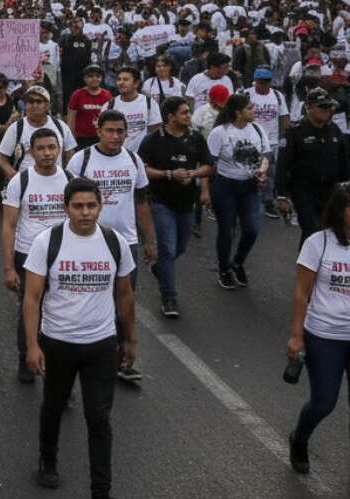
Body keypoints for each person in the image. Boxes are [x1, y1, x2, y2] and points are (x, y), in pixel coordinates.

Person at [22, 177, 136, 499]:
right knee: (54, 405)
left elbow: (125, 294)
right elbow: (32, 298)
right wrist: (32, 345)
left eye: (91, 206)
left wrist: (131, 340)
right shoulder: (48, 241)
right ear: (66, 208)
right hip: (58, 342)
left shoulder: (115, 242)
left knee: (99, 418)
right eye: (78, 206)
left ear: (100, 206)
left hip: (102, 345)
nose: (85, 213)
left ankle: (101, 489)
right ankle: (48, 458)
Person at [66, 110, 155, 382]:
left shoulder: (132, 159)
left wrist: (150, 239)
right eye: (110, 131)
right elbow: (68, 203)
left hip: (125, 244)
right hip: (89, 242)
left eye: (121, 131)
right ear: (99, 131)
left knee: (123, 302)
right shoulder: (81, 160)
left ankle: (118, 361)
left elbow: (141, 202)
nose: (116, 137)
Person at [286, 183, 350, 476]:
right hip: (325, 336)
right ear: (340, 210)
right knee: (324, 402)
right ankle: (299, 439)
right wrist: (297, 335)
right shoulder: (318, 243)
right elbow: (301, 293)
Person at [2, 129, 73, 383]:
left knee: (61, 312)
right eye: (41, 148)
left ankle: (58, 369)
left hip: (62, 259)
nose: (47, 153)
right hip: (28, 257)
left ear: (59, 149)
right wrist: (9, 267)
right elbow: (9, 225)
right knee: (30, 308)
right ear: (32, 152)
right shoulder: (20, 181)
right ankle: (26, 357)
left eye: (52, 147)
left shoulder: (69, 179)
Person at [138, 97, 213, 318]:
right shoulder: (152, 140)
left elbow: (208, 166)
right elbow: (141, 169)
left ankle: (158, 268)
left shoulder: (196, 138)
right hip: (160, 202)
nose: (189, 116)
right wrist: (169, 174)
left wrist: (193, 175)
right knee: (168, 249)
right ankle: (169, 297)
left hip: (186, 204)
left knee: (179, 248)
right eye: (184, 112)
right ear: (170, 117)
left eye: (188, 112)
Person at [207, 92, 271, 289]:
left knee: (251, 229)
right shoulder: (220, 132)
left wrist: (262, 171)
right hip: (226, 187)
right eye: (250, 108)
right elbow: (210, 162)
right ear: (238, 112)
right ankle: (224, 268)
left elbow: (266, 155)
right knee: (227, 230)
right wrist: (206, 192)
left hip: (250, 187)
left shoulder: (258, 130)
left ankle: (238, 262)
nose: (254, 111)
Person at [276, 87, 350, 245]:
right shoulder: (295, 133)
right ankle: (305, 268)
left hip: (331, 190)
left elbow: (344, 161)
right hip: (304, 191)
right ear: (308, 107)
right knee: (312, 231)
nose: (327, 110)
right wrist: (281, 196)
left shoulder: (335, 130)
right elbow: (282, 166)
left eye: (329, 107)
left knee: (330, 231)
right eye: (322, 107)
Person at [0, 86, 77, 178]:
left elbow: (70, 155)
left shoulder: (61, 127)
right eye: (30, 102)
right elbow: (2, 157)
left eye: (39, 101)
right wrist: (15, 177)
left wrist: (66, 177)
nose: (34, 105)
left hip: (55, 182)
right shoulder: (15, 128)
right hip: (26, 184)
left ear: (47, 105)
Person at [244, 65, 289, 218]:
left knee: (270, 173)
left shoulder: (277, 95)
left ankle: (268, 201)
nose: (263, 84)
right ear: (255, 81)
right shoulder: (246, 94)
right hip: (251, 140)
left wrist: (284, 137)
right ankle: (248, 202)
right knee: (249, 172)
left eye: (266, 81)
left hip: (272, 142)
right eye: (260, 81)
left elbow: (283, 117)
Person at [104, 66, 161, 152]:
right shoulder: (109, 106)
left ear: (136, 83)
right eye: (119, 79)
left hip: (143, 155)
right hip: (117, 155)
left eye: (126, 79)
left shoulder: (149, 103)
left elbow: (155, 131)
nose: (121, 82)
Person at [67, 64, 112, 150]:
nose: (94, 79)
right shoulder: (77, 94)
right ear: (85, 79)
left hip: (101, 138)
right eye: (90, 76)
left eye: (98, 76)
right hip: (81, 139)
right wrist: (71, 140)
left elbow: (110, 117)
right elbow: (71, 119)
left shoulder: (107, 95)